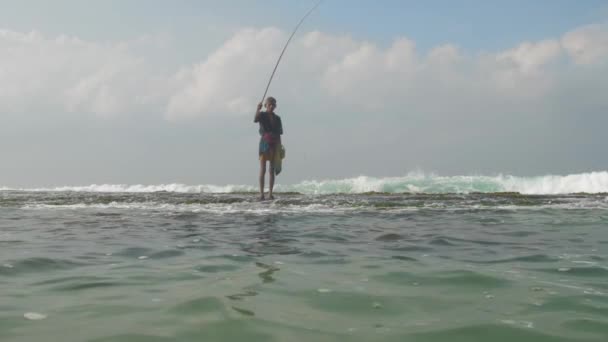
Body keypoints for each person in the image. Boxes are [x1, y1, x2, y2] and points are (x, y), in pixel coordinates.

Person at [254, 96, 283, 200]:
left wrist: (280, 148)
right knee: (263, 169)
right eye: (269, 104)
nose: (271, 106)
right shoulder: (262, 115)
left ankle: (270, 193)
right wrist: (258, 109)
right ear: (266, 105)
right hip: (264, 144)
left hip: (274, 144)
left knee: (272, 169)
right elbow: (255, 119)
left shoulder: (278, 118)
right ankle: (261, 194)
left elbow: (279, 134)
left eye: (273, 104)